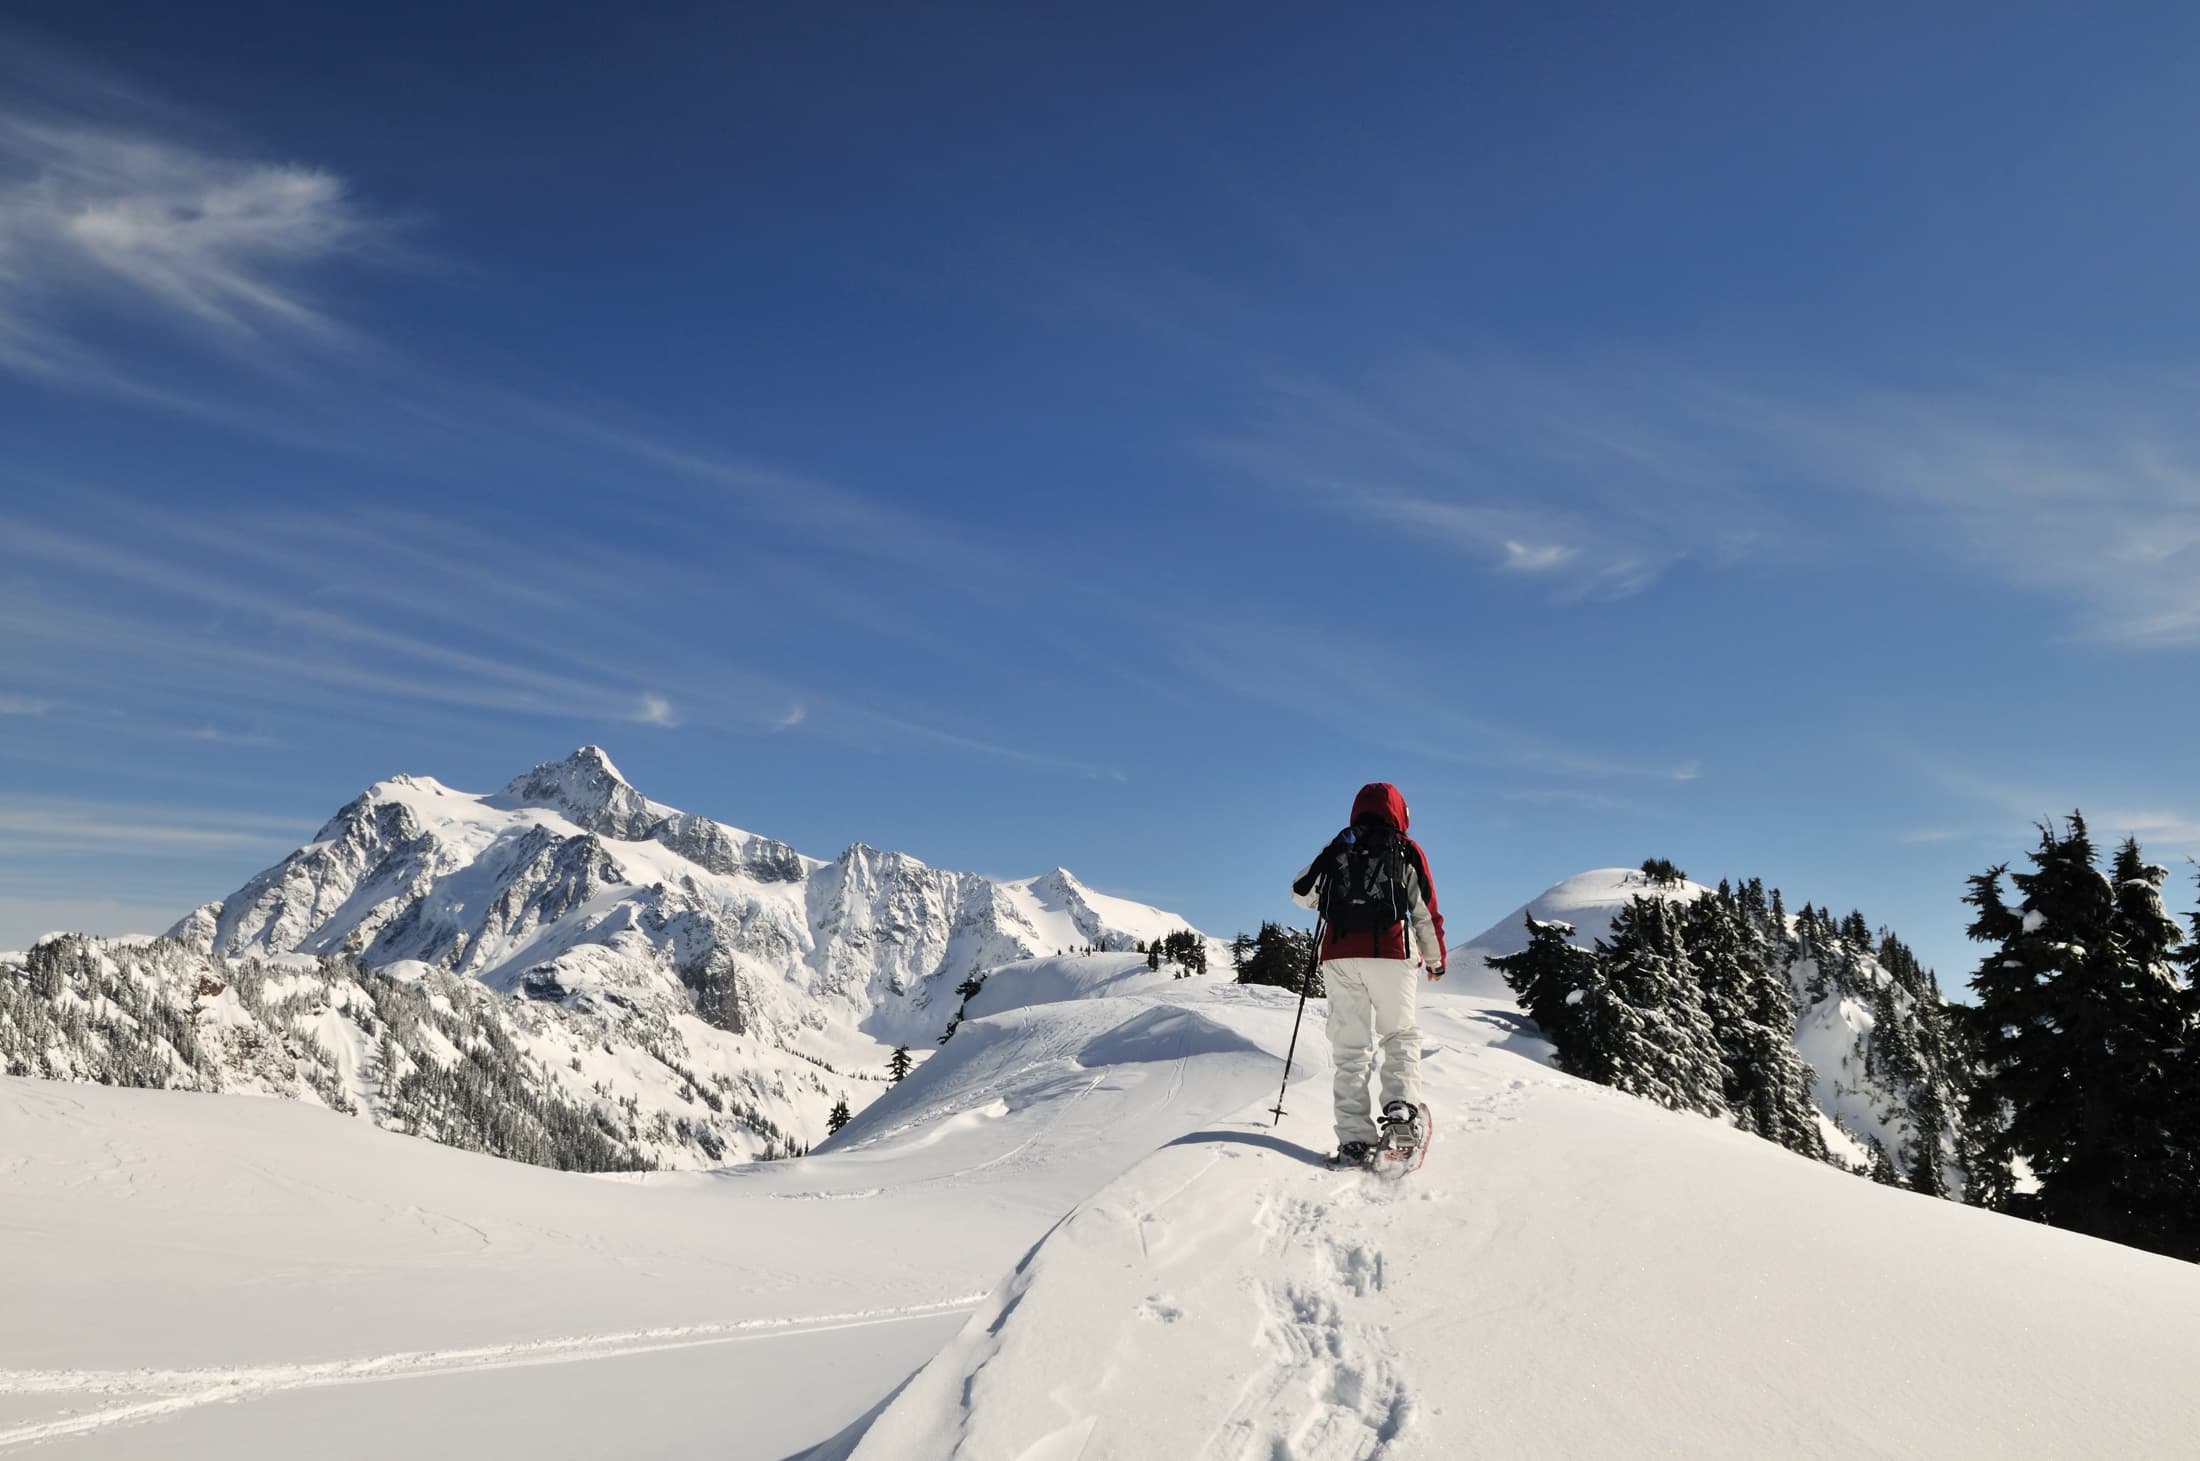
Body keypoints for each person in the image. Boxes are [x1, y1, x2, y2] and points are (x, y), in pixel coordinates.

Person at [1290, 782, 1446, 1165]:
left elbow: (1301, 894)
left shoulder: (1339, 845)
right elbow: (1424, 909)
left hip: (1339, 954)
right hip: (1391, 951)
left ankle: (1354, 1140)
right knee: (1399, 1033)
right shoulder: (1405, 849)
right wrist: (1435, 959)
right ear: (1400, 812)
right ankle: (1400, 1115)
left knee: (1350, 1049)